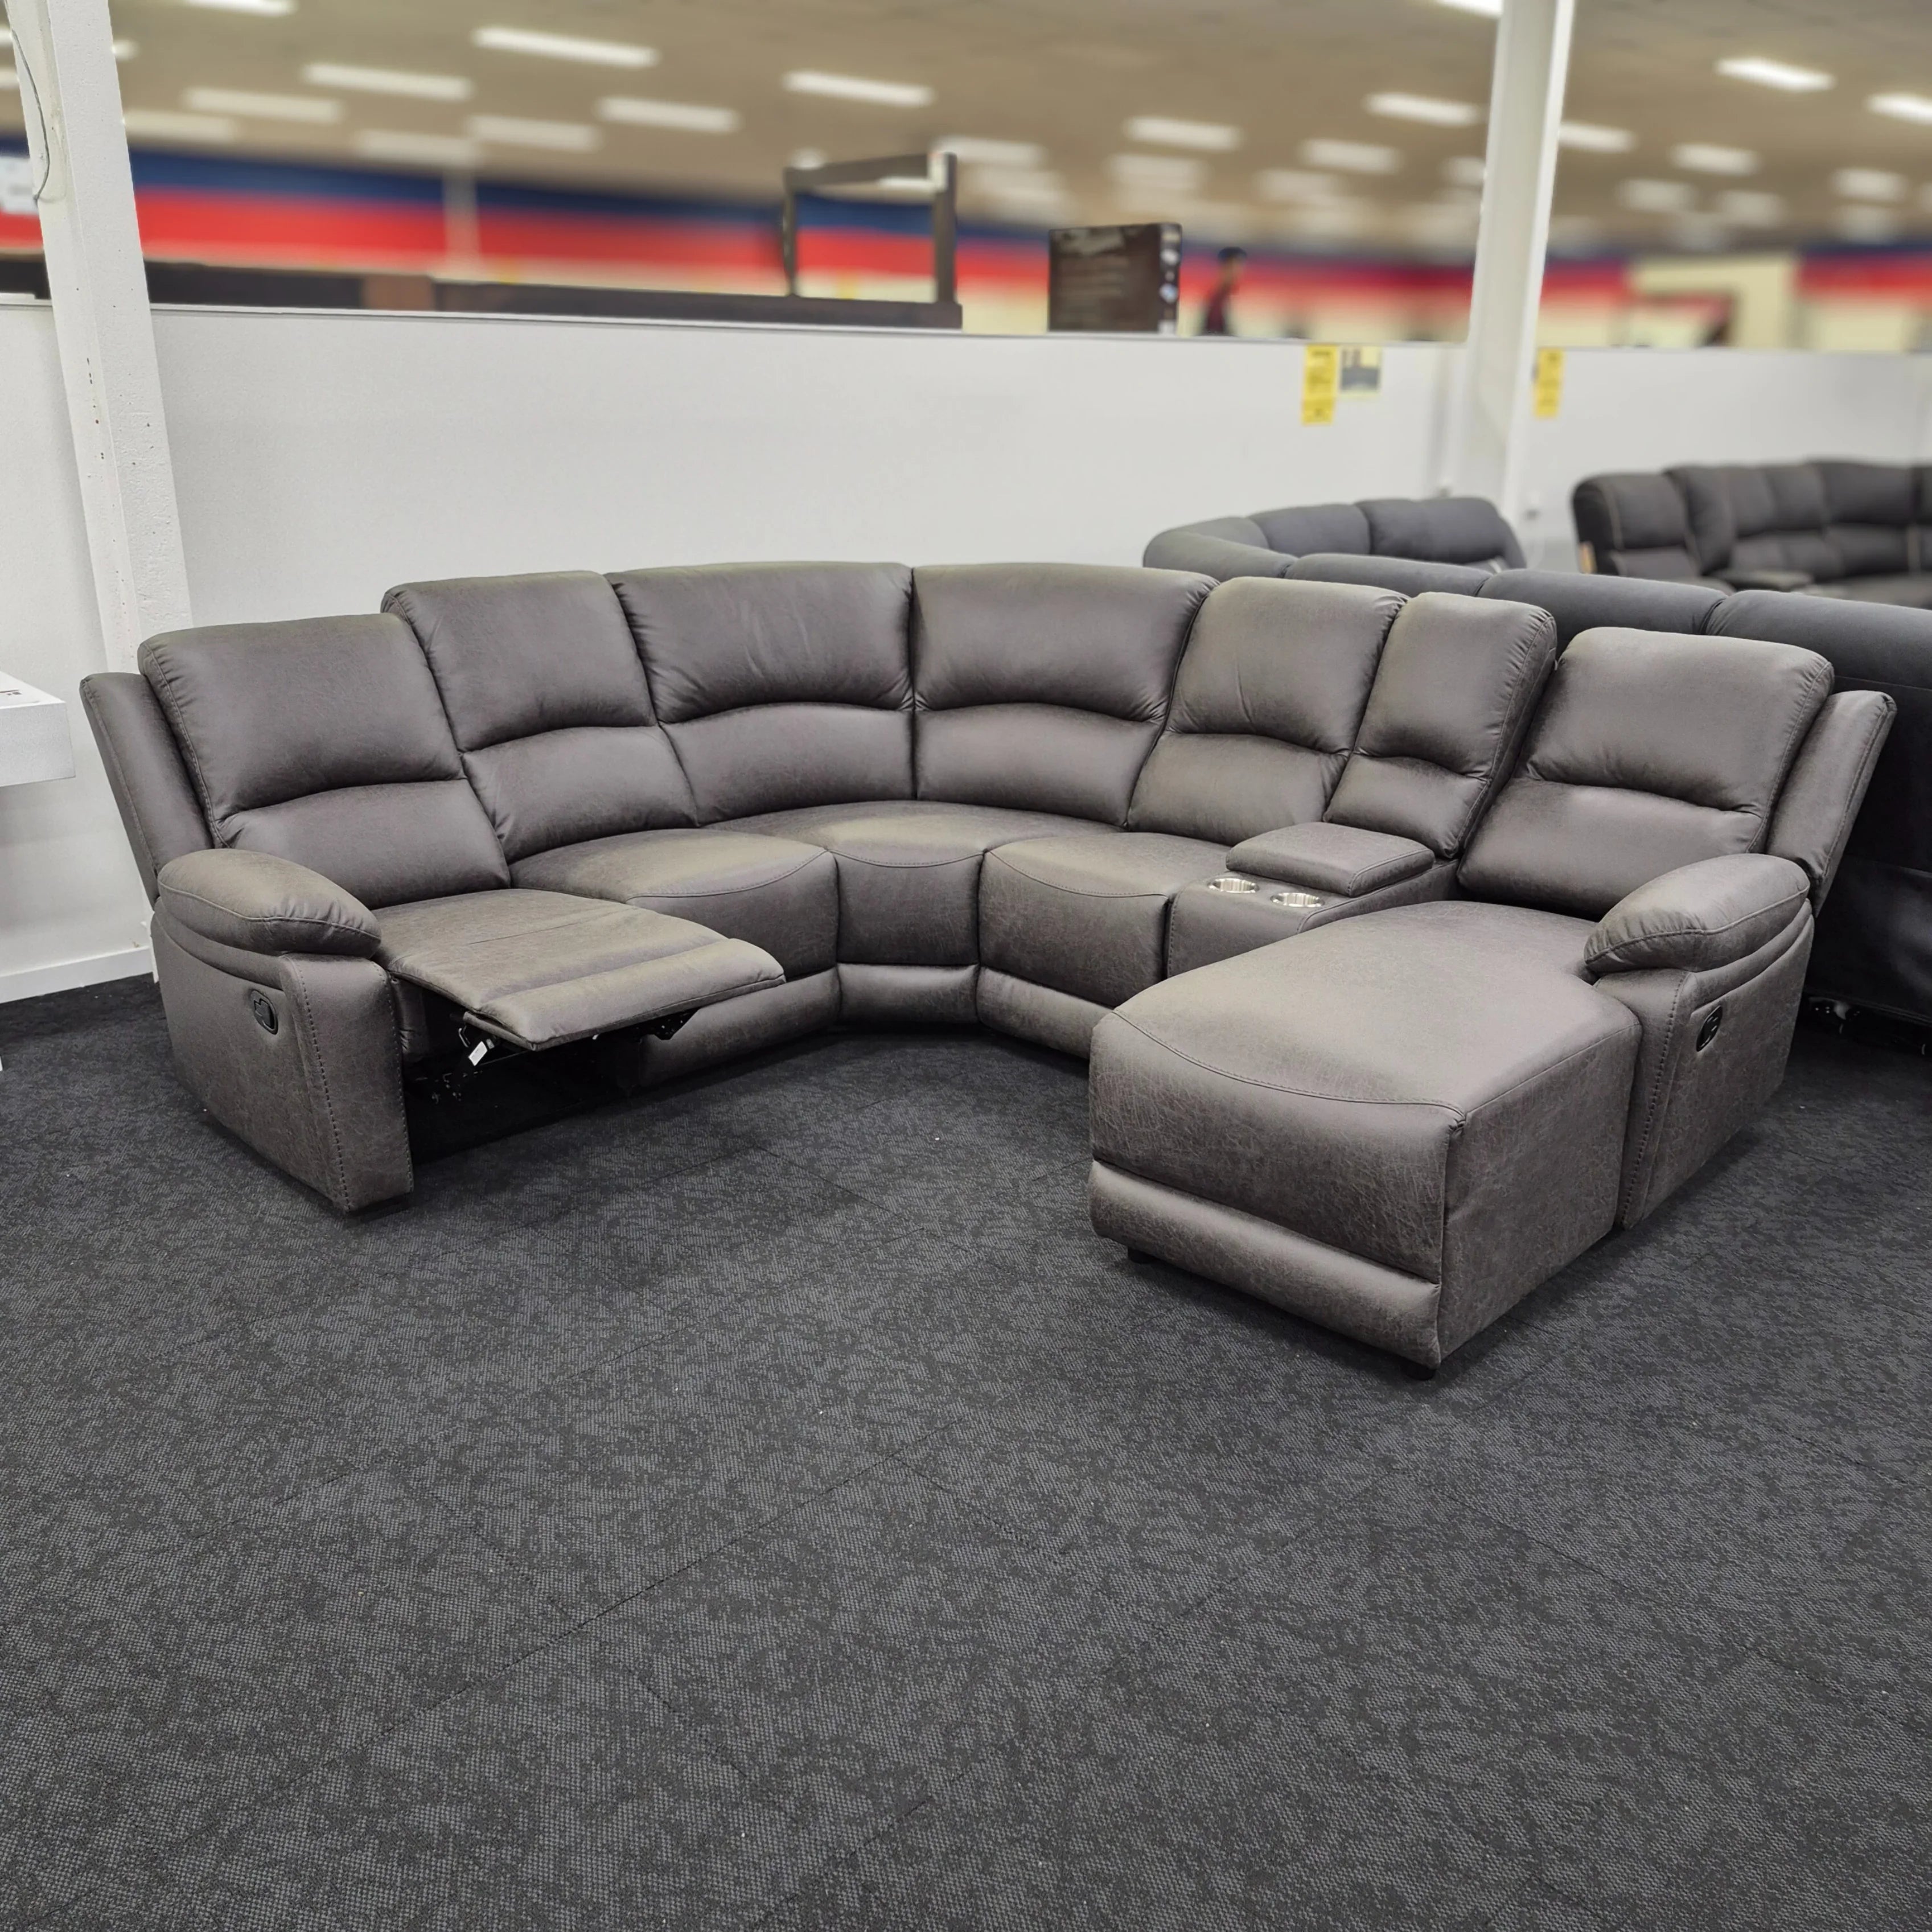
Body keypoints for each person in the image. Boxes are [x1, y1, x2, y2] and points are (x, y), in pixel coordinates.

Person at [1198, 246, 1247, 335]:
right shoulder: (1216, 297)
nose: (1234, 272)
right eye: (1230, 267)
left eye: (1238, 267)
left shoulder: (1242, 296)